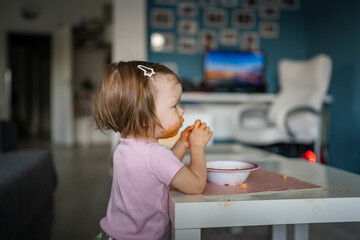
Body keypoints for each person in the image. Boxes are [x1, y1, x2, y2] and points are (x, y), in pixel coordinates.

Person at [92, 61, 212, 240]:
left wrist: (181, 144)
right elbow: (196, 185)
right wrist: (197, 146)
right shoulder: (155, 155)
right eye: (174, 106)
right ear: (144, 117)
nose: (181, 111)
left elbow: (160, 172)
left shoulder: (125, 147)